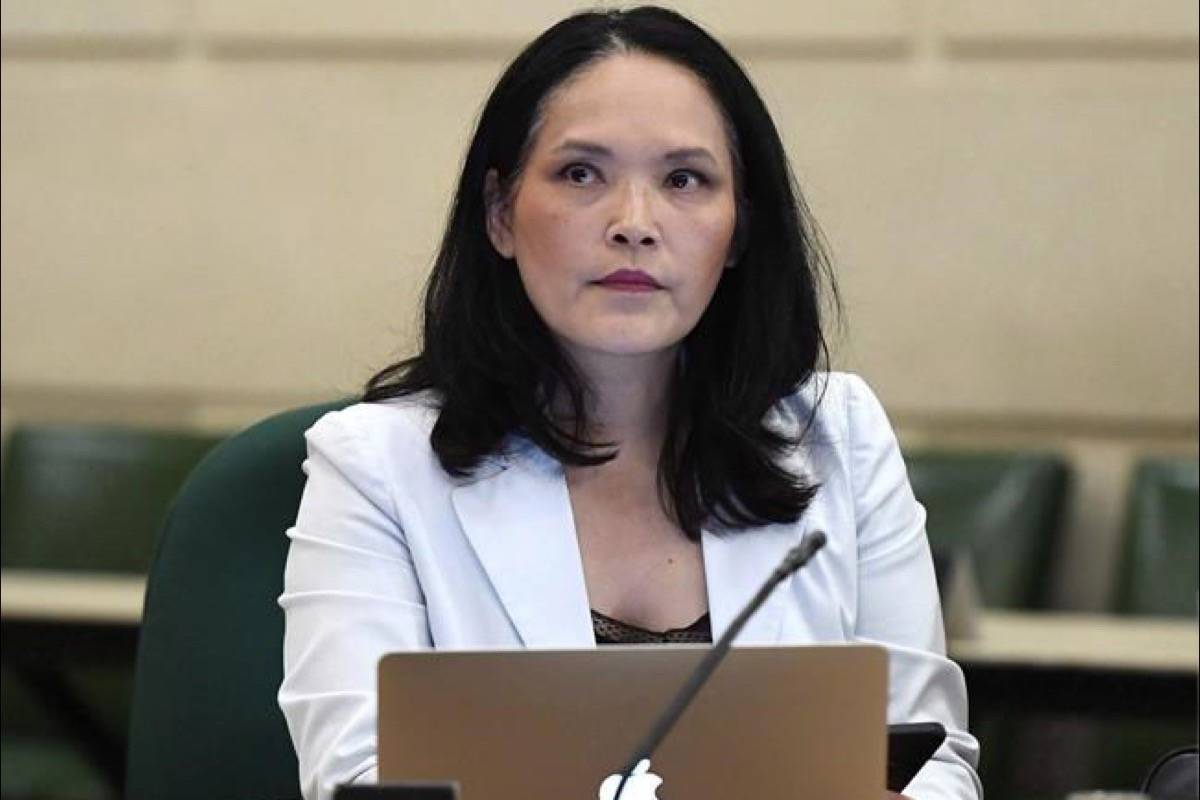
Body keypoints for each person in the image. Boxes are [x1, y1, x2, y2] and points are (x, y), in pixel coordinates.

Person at [278, 7, 982, 800]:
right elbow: (361, 782)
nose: (634, 225)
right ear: (500, 213)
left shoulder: (837, 437)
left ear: (740, 229)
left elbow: (935, 767)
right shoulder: (375, 466)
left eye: (685, 179)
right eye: (582, 173)